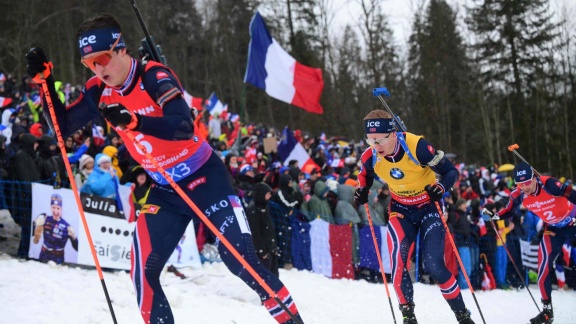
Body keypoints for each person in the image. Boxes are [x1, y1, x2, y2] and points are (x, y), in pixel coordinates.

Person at [26, 14, 302, 324]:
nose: (98, 69)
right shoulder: (98, 90)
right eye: (89, 63)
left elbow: (183, 126)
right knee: (142, 271)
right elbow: (61, 130)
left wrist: (135, 122)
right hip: (165, 189)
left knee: (241, 260)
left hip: (204, 178)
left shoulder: (153, 76)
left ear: (121, 49)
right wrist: (45, 83)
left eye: (102, 59)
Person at [354, 109, 474, 324]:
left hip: (429, 207)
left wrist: (441, 187)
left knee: (433, 266)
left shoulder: (416, 146)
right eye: (370, 140)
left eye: (380, 140)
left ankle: (463, 315)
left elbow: (450, 172)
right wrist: (362, 190)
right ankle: (408, 316)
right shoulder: (369, 156)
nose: (375, 146)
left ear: (393, 133)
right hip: (401, 210)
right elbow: (364, 176)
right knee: (398, 263)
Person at [482, 162, 576, 324]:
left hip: (572, 222)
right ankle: (547, 312)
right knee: (543, 268)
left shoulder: (548, 184)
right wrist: (494, 216)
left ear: (533, 178)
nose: (524, 187)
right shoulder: (518, 194)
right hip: (553, 229)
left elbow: (571, 194)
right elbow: (509, 211)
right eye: (520, 184)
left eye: (527, 182)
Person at [32, 193, 78, 263]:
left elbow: (77, 248)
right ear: (50, 208)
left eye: (58, 208)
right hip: (44, 256)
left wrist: (74, 237)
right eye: (53, 207)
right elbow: (34, 239)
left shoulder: (67, 226)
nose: (55, 211)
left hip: (58, 259)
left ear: (61, 209)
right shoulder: (45, 219)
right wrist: (36, 225)